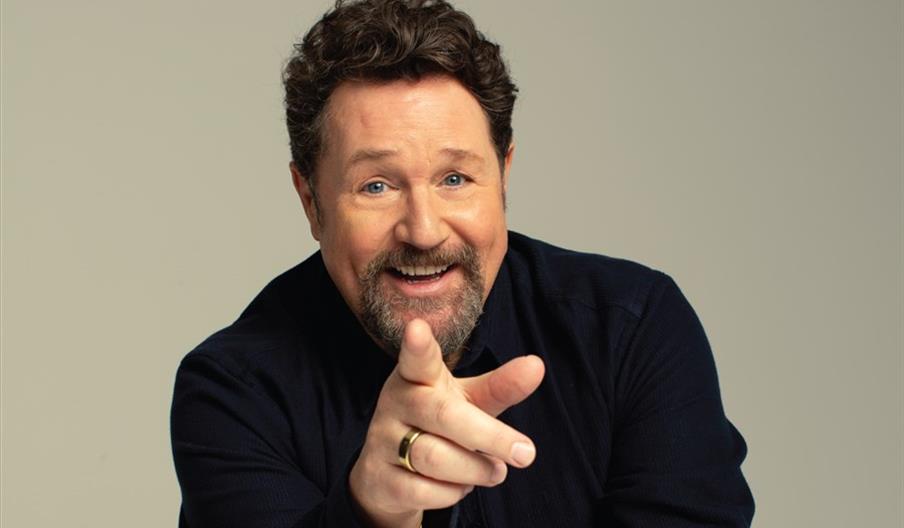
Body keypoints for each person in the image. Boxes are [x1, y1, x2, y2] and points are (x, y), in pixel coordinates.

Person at [170, 0, 755, 526]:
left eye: (455, 178)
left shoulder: (632, 329)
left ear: (503, 175)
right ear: (310, 201)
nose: (424, 231)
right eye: (375, 186)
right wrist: (372, 514)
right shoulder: (232, 393)